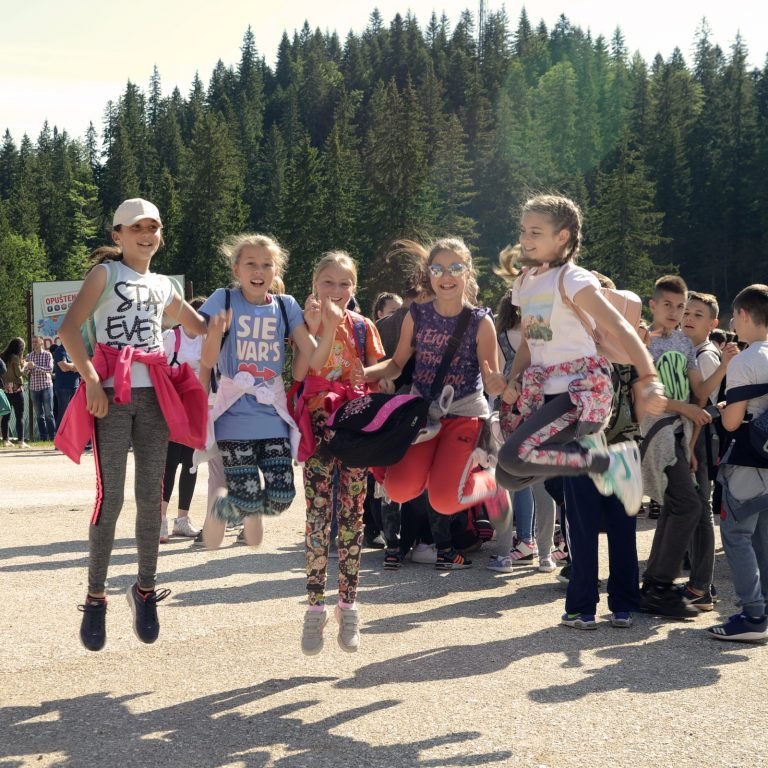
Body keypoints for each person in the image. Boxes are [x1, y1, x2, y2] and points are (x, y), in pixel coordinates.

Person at [57, 198, 208, 652]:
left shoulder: (165, 285)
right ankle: (96, 596)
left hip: (156, 394)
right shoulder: (105, 275)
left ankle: (144, 590)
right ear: (117, 235)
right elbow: (69, 330)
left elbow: (201, 326)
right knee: (111, 496)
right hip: (113, 393)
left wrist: (244, 301)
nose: (147, 234)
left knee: (151, 499)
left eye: (154, 227)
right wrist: (91, 384)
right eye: (136, 227)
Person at [494, 195, 666, 519]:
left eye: (535, 232)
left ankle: (611, 462)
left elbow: (621, 329)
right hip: (544, 391)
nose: (524, 240)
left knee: (510, 457)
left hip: (580, 390)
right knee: (507, 474)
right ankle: (597, 461)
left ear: (562, 237)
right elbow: (530, 345)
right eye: (523, 231)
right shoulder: (525, 283)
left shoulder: (572, 279)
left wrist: (650, 378)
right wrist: (512, 379)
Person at [357, 238, 507, 571]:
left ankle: (492, 481)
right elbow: (396, 365)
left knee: (444, 499)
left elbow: (490, 370)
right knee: (398, 489)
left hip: (465, 415)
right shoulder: (417, 315)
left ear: (467, 273)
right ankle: (439, 472)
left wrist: (497, 381)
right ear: (429, 274)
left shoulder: (481, 321)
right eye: (438, 268)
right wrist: (362, 373)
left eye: (456, 268)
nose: (446, 276)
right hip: (423, 417)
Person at [196, 234, 328, 551]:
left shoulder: (286, 306)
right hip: (234, 416)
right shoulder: (223, 299)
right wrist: (214, 332)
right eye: (251, 264)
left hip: (272, 415)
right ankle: (240, 510)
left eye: (267, 265)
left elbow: (312, 362)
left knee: (283, 496)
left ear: (276, 270)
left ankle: (227, 510)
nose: (259, 271)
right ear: (236, 268)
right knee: (248, 491)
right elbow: (207, 360)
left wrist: (315, 328)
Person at [292, 250, 385, 656]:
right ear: (314, 284)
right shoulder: (305, 322)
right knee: (316, 519)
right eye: (327, 282)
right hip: (317, 428)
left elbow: (381, 370)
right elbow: (302, 371)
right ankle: (315, 607)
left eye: (344, 283)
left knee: (352, 516)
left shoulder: (364, 327)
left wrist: (370, 376)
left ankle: (348, 604)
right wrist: (324, 327)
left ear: (355, 287)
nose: (336, 290)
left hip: (354, 426)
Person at [559, 273, 646, 629]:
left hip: (582, 448)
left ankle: (583, 608)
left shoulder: (572, 349)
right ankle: (624, 605)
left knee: (582, 530)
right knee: (622, 529)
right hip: (624, 445)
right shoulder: (629, 346)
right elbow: (639, 403)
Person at [638, 275, 713, 618]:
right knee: (688, 505)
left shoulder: (685, 343)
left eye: (680, 306)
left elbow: (699, 393)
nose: (674, 312)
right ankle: (661, 585)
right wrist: (686, 409)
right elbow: (647, 398)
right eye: (667, 304)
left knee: (677, 505)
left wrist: (726, 365)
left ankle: (655, 584)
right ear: (652, 305)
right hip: (655, 432)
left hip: (681, 435)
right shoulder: (641, 341)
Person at [709, 284, 768, 642]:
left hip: (749, 460)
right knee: (764, 537)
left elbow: (732, 422)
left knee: (737, 535)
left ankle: (754, 615)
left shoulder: (746, 360)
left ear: (744, 314)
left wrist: (723, 411)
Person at [681, 292, 739, 608]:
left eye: (698, 314)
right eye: (686, 312)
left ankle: (701, 587)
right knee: (693, 507)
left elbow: (703, 403)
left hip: (700, 438)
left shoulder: (704, 355)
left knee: (698, 508)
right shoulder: (691, 350)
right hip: (693, 436)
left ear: (713, 323)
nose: (688, 317)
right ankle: (699, 584)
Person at [159, 297, 207, 542]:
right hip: (174, 409)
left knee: (191, 463)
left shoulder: (206, 339)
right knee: (169, 464)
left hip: (195, 409)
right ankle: (161, 519)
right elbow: (158, 369)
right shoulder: (171, 337)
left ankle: (182, 519)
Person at [1, 338, 31, 448]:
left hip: (5, 388)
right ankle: (21, 442)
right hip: (16, 388)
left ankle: (5, 440)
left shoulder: (2, 356)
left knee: (6, 415)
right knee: (20, 416)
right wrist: (26, 365)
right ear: (19, 348)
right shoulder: (15, 357)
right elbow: (19, 374)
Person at [26, 336, 56, 441]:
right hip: (34, 388)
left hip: (46, 387)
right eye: (33, 341)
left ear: (41, 343)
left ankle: (53, 437)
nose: (34, 343)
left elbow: (50, 369)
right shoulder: (29, 356)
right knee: (39, 415)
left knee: (49, 414)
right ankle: (43, 437)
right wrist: (27, 368)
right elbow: (26, 372)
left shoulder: (48, 355)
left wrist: (35, 367)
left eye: (36, 342)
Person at [52, 340, 80, 430]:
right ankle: (59, 435)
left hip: (75, 386)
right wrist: (76, 366)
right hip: (64, 387)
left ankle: (70, 436)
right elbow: (64, 367)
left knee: (74, 413)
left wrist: (73, 366)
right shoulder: (60, 351)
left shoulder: (73, 351)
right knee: (64, 413)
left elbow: (82, 365)